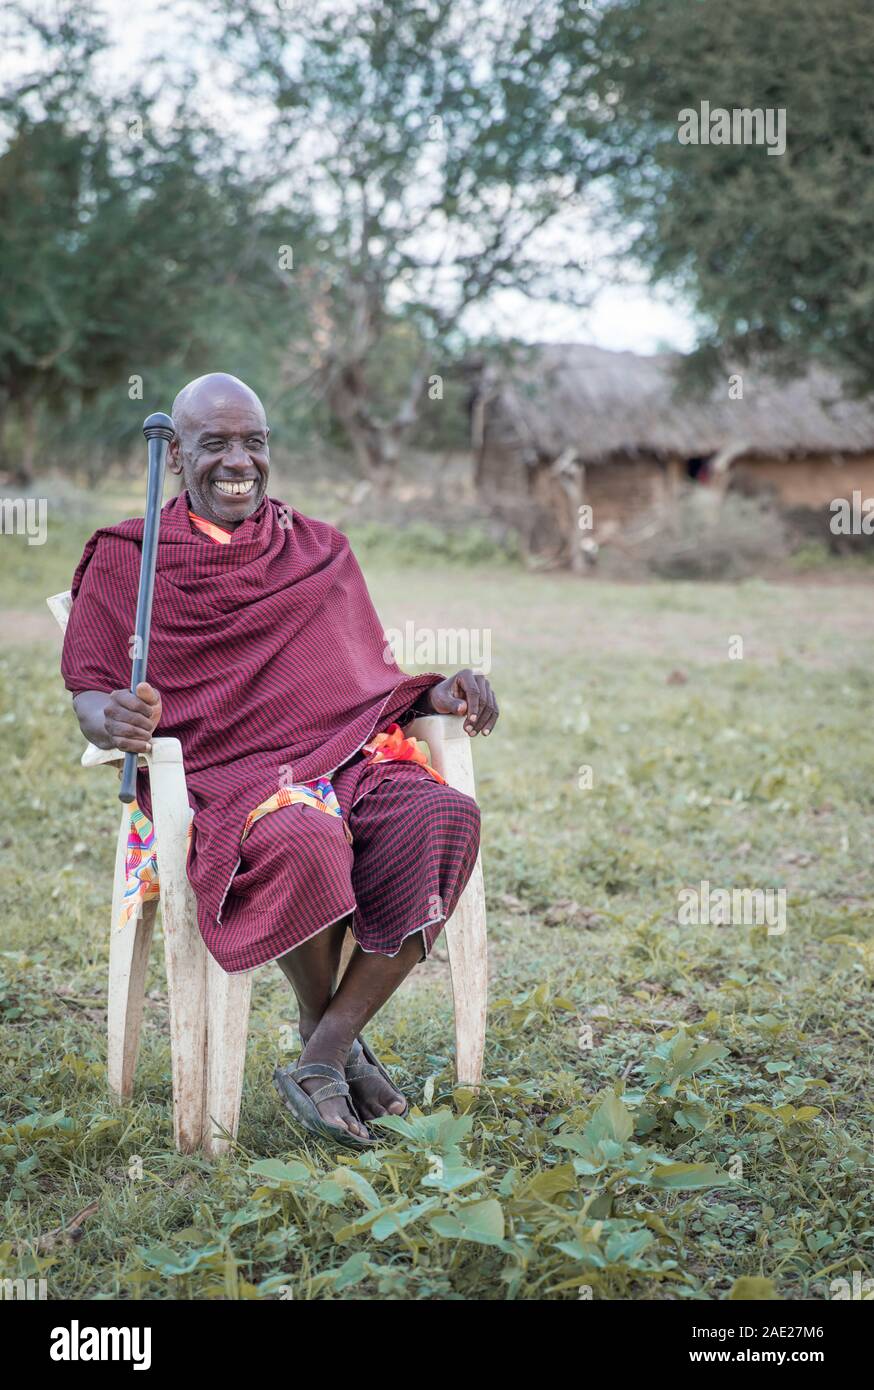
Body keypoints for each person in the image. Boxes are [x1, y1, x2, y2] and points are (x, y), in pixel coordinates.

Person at [60, 373, 498, 1147]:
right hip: (224, 776)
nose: (239, 462)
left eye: (254, 443)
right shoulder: (130, 556)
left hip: (343, 759)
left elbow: (364, 681)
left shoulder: (321, 551)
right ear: (178, 458)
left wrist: (439, 697)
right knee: (301, 837)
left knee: (442, 815)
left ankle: (322, 1050)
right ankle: (333, 1049)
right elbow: (93, 693)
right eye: (215, 444)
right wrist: (114, 717)